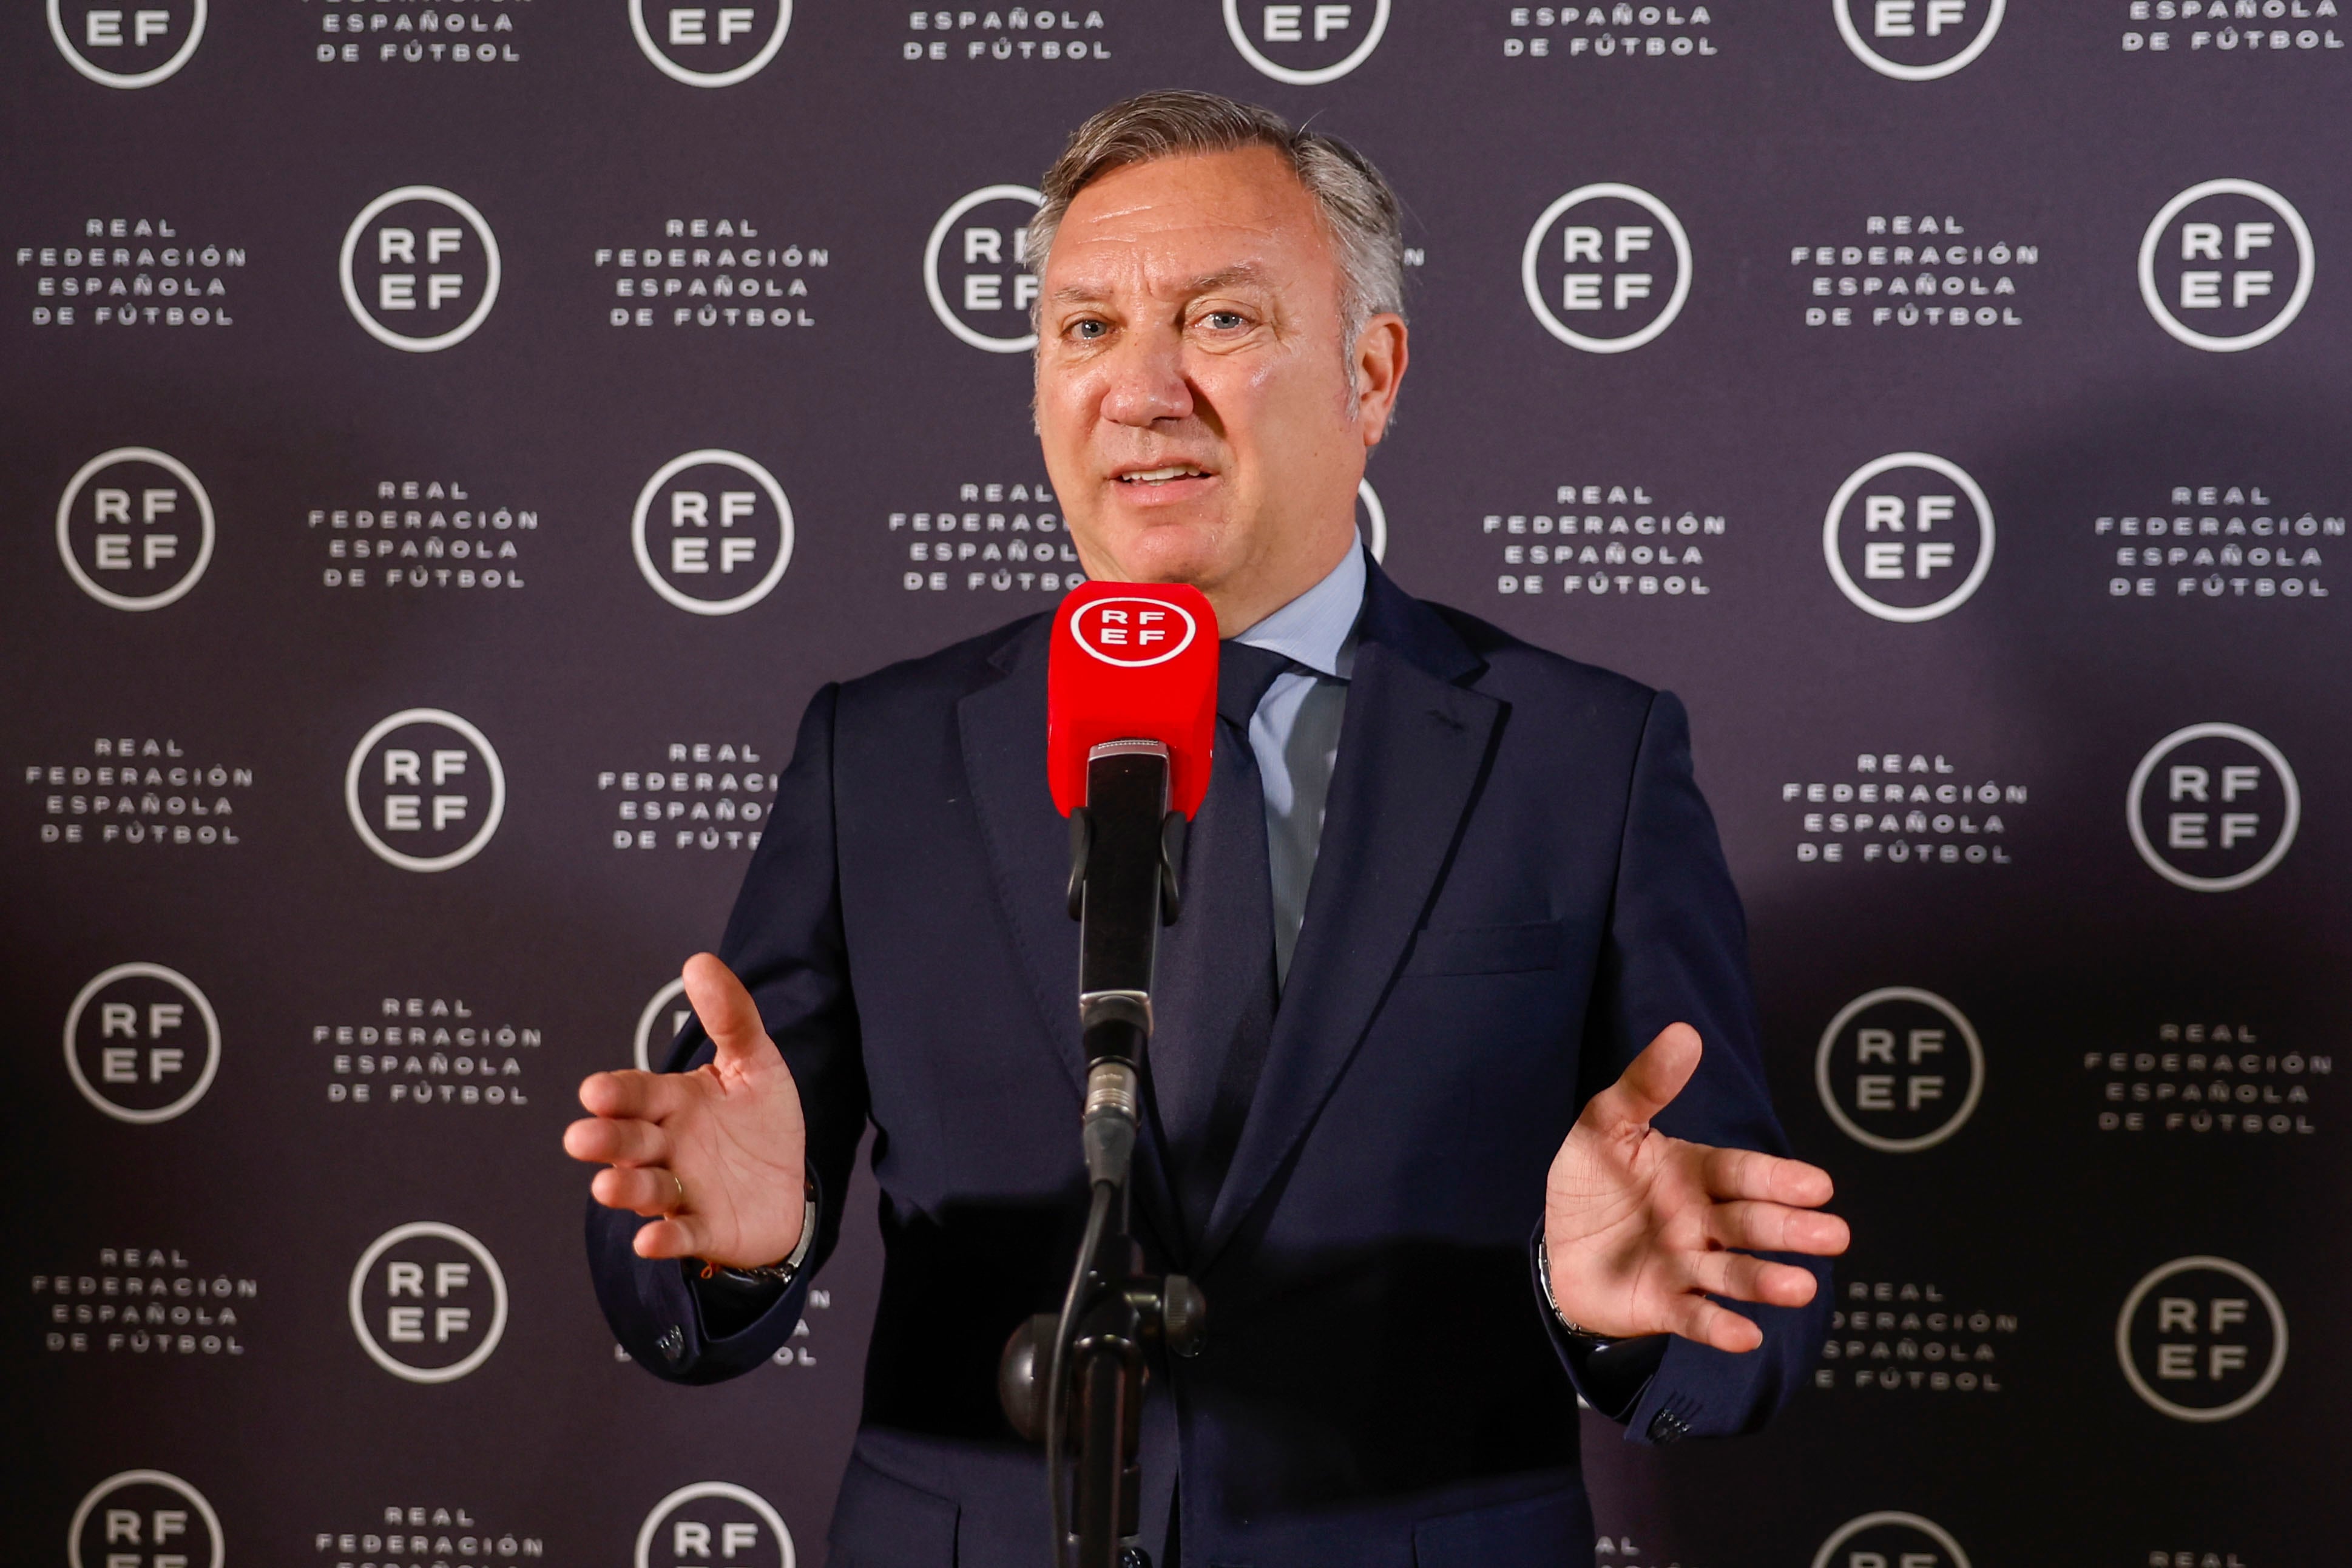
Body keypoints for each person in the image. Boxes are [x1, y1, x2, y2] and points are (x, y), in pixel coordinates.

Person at [566, 90, 1848, 1568]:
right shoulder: (881, 750)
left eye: (1223, 322)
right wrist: (735, 1248)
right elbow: (692, 1227)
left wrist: (1616, 1313)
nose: (1143, 388)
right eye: (1086, 330)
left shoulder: (1584, 759)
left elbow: (1741, 1296)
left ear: (1373, 373)